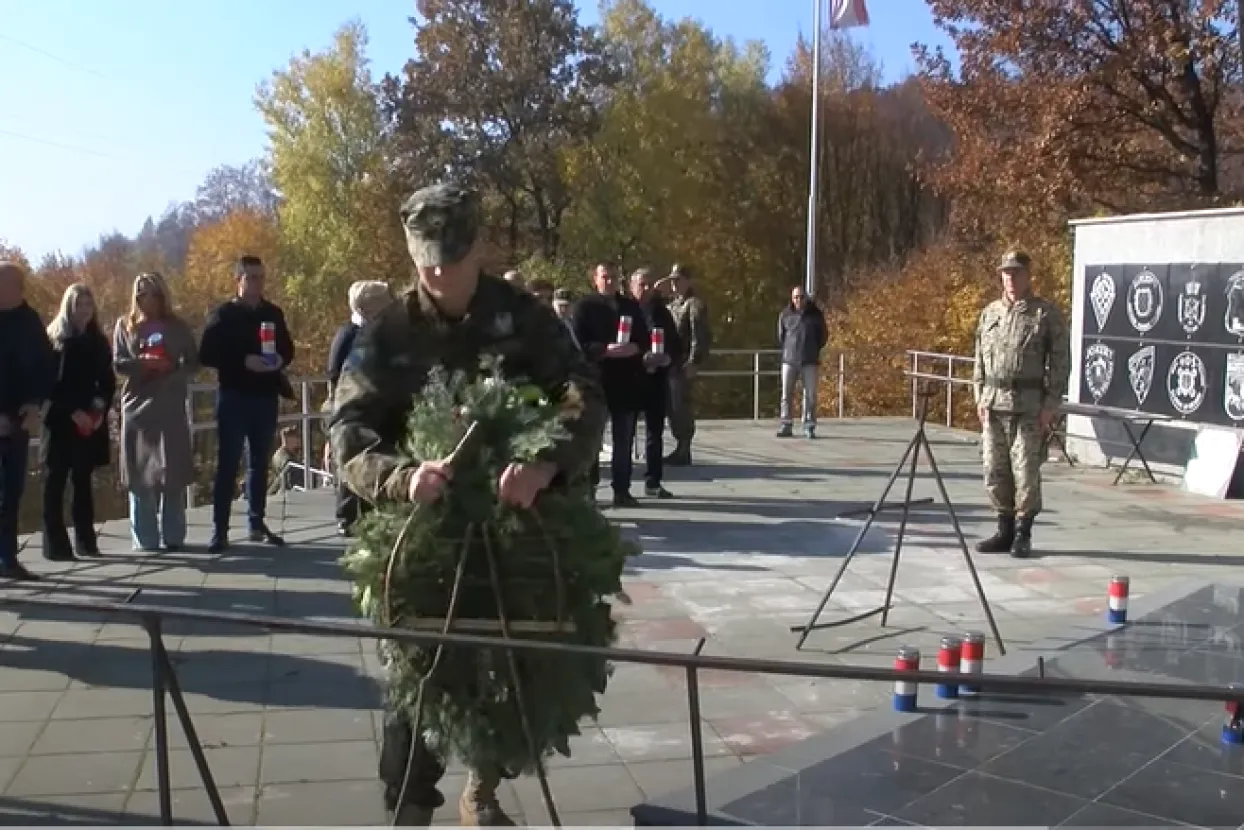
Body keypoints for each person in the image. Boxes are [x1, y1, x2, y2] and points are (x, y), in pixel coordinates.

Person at [329, 182, 606, 826]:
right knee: (417, 686)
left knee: (514, 669)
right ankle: (408, 810)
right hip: (421, 534)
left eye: (450, 256)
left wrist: (546, 463)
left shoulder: (524, 319)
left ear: (476, 248)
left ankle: (484, 785)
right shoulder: (387, 332)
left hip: (516, 526)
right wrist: (401, 478)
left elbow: (581, 392)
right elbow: (347, 428)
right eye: (424, 254)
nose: (436, 268)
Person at [972, 251, 1070, 558]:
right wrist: (979, 397)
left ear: (1028, 275)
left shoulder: (1044, 314)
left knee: (1025, 472)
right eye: (1006, 273)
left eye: (1017, 273)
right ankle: (1004, 529)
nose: (1011, 278)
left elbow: (1060, 362)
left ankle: (1023, 532)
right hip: (994, 403)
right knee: (994, 470)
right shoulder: (990, 313)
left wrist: (1050, 404)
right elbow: (979, 359)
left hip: (1028, 405)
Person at [199, 255, 295, 553]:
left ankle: (256, 522)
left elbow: (287, 348)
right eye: (251, 277)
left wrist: (279, 359)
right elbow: (206, 353)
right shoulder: (223, 315)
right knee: (228, 463)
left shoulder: (273, 313)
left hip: (265, 396)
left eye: (260, 277)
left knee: (259, 463)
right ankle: (220, 530)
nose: (256, 283)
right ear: (238, 280)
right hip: (234, 396)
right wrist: (243, 361)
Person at [113, 272, 199, 552]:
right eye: (141, 293)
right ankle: (146, 539)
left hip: (170, 404)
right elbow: (119, 363)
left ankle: (174, 536)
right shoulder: (124, 326)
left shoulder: (177, 326)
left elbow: (193, 362)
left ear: (162, 295)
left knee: (172, 470)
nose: (146, 299)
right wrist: (144, 364)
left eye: (152, 293)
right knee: (140, 474)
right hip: (137, 406)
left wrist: (172, 372)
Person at [41, 283, 115, 561]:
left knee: (83, 480)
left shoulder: (98, 341)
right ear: (68, 308)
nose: (84, 310)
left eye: (88, 304)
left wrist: (98, 411)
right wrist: (71, 411)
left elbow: (106, 382)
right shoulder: (55, 340)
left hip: (89, 421)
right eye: (78, 305)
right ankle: (56, 545)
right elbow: (49, 385)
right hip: (60, 419)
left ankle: (86, 541)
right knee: (55, 481)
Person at [572, 262, 652, 508]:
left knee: (624, 438)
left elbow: (644, 338)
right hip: (596, 380)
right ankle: (590, 489)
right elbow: (579, 344)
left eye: (614, 277)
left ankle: (622, 489)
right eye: (605, 277)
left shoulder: (630, 306)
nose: (609, 281)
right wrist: (605, 350)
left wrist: (636, 348)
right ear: (595, 279)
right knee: (592, 439)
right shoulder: (585, 307)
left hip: (626, 381)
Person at [0, 261, 56, 580]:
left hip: (20, 420)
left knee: (12, 492)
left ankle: (8, 558)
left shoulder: (30, 321)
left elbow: (46, 368)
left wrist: (35, 405)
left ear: (17, 288)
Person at [326, 280, 394, 535]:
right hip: (352, 407)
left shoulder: (380, 332)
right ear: (368, 306)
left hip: (377, 404)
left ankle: (370, 511)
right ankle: (347, 516)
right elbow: (335, 372)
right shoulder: (348, 334)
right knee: (351, 457)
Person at [630, 268, 681, 499]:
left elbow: (676, 345)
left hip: (656, 378)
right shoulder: (625, 310)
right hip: (629, 378)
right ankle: (621, 485)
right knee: (624, 433)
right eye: (642, 284)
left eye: (650, 284)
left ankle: (653, 481)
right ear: (632, 286)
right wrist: (641, 356)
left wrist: (668, 358)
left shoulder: (662, 313)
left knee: (655, 432)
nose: (646, 288)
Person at [661, 264, 710, 465]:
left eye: (678, 280)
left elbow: (699, 336)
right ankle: (680, 446)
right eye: (672, 280)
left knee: (681, 405)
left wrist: (694, 361)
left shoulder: (693, 304)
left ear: (687, 281)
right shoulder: (673, 304)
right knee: (672, 406)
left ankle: (684, 447)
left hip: (683, 363)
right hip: (670, 363)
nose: (674, 284)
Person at [776, 285, 827, 439]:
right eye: (796, 297)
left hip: (809, 359)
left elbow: (823, 336)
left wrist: (813, 349)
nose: (798, 300)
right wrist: (788, 349)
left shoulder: (816, 315)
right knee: (786, 393)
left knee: (810, 395)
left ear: (806, 298)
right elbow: (781, 335)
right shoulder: (785, 314)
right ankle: (786, 423)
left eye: (801, 297)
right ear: (792, 298)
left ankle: (809, 424)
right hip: (789, 359)